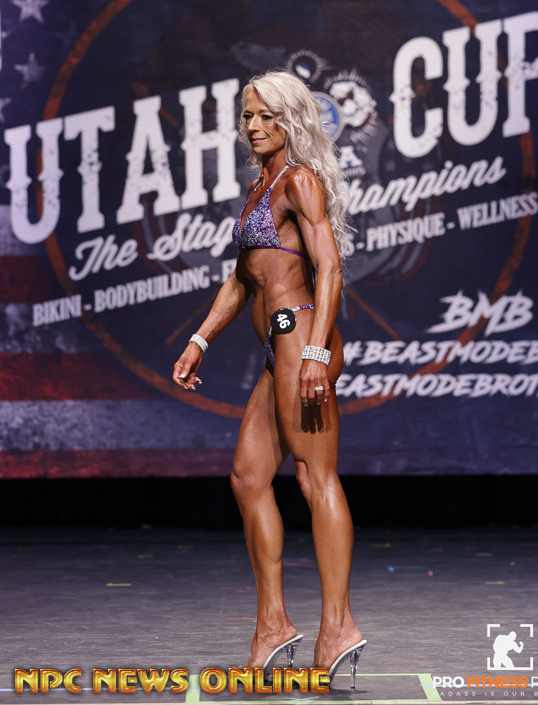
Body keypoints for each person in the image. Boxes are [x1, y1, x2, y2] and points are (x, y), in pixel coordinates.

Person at [172, 70, 366, 687]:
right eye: (248, 116)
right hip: (278, 346)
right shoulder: (263, 186)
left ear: (291, 120)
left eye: (266, 116)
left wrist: (315, 353)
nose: (253, 126)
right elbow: (241, 280)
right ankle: (273, 624)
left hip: (301, 339)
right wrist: (201, 339)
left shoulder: (300, 180)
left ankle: (338, 626)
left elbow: (329, 268)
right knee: (249, 477)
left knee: (315, 477)